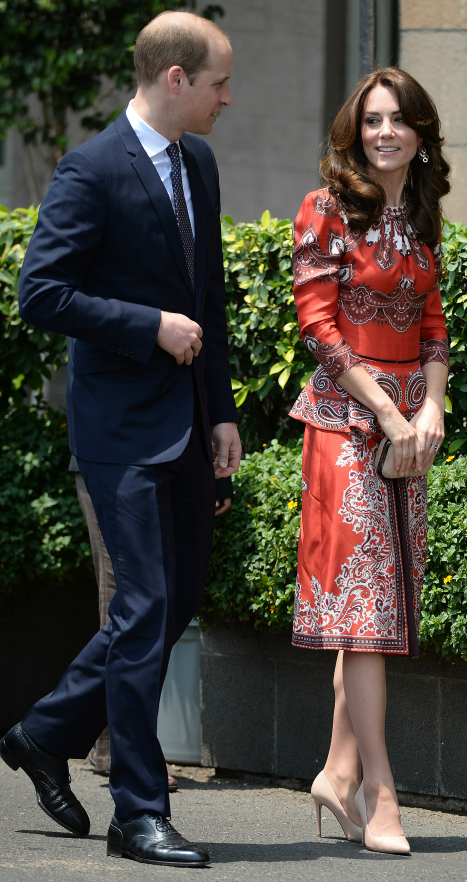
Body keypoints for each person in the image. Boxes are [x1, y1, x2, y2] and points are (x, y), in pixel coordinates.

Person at [0, 11, 241, 869]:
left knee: (172, 604)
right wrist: (148, 327)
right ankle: (138, 812)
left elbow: (205, 300)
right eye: (218, 82)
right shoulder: (91, 169)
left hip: (184, 426)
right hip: (119, 433)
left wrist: (220, 411)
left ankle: (45, 729)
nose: (226, 98)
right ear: (174, 78)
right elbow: (41, 293)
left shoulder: (199, 164)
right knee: (140, 609)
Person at [289, 68, 450, 855]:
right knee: (368, 614)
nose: (385, 132)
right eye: (373, 120)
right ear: (356, 129)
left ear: (420, 133)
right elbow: (318, 329)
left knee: (380, 610)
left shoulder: (420, 212)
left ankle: (335, 773)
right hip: (346, 426)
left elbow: (433, 327)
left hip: (408, 436)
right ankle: (383, 794)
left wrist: (431, 404)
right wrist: (386, 409)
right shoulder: (324, 211)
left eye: (400, 121)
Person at [71, 452, 232, 788]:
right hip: (113, 458)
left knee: (162, 605)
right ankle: (115, 747)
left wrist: (217, 472)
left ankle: (68, 735)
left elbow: (202, 402)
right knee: (128, 598)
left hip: (176, 467)